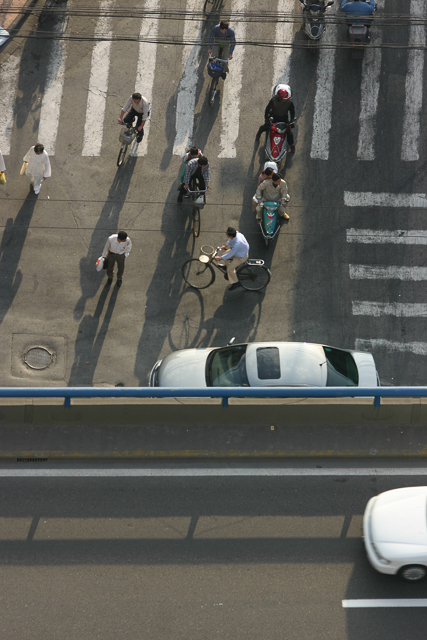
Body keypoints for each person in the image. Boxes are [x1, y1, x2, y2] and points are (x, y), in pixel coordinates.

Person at [255, 85, 296, 153]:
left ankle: (292, 145)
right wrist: (266, 119)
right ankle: (258, 135)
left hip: (284, 119)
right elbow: (267, 110)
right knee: (263, 128)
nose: (286, 100)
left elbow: (292, 111)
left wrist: (292, 121)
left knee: (289, 133)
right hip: (274, 117)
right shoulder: (273, 100)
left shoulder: (289, 103)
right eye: (284, 99)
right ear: (279, 98)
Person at [214, 227, 249, 291]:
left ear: (230, 235)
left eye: (226, 233)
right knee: (224, 254)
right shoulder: (237, 234)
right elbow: (231, 240)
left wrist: (220, 258)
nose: (225, 233)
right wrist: (226, 246)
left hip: (241, 257)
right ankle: (226, 266)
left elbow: (230, 253)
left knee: (229, 269)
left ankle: (236, 282)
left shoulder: (237, 244)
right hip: (240, 251)